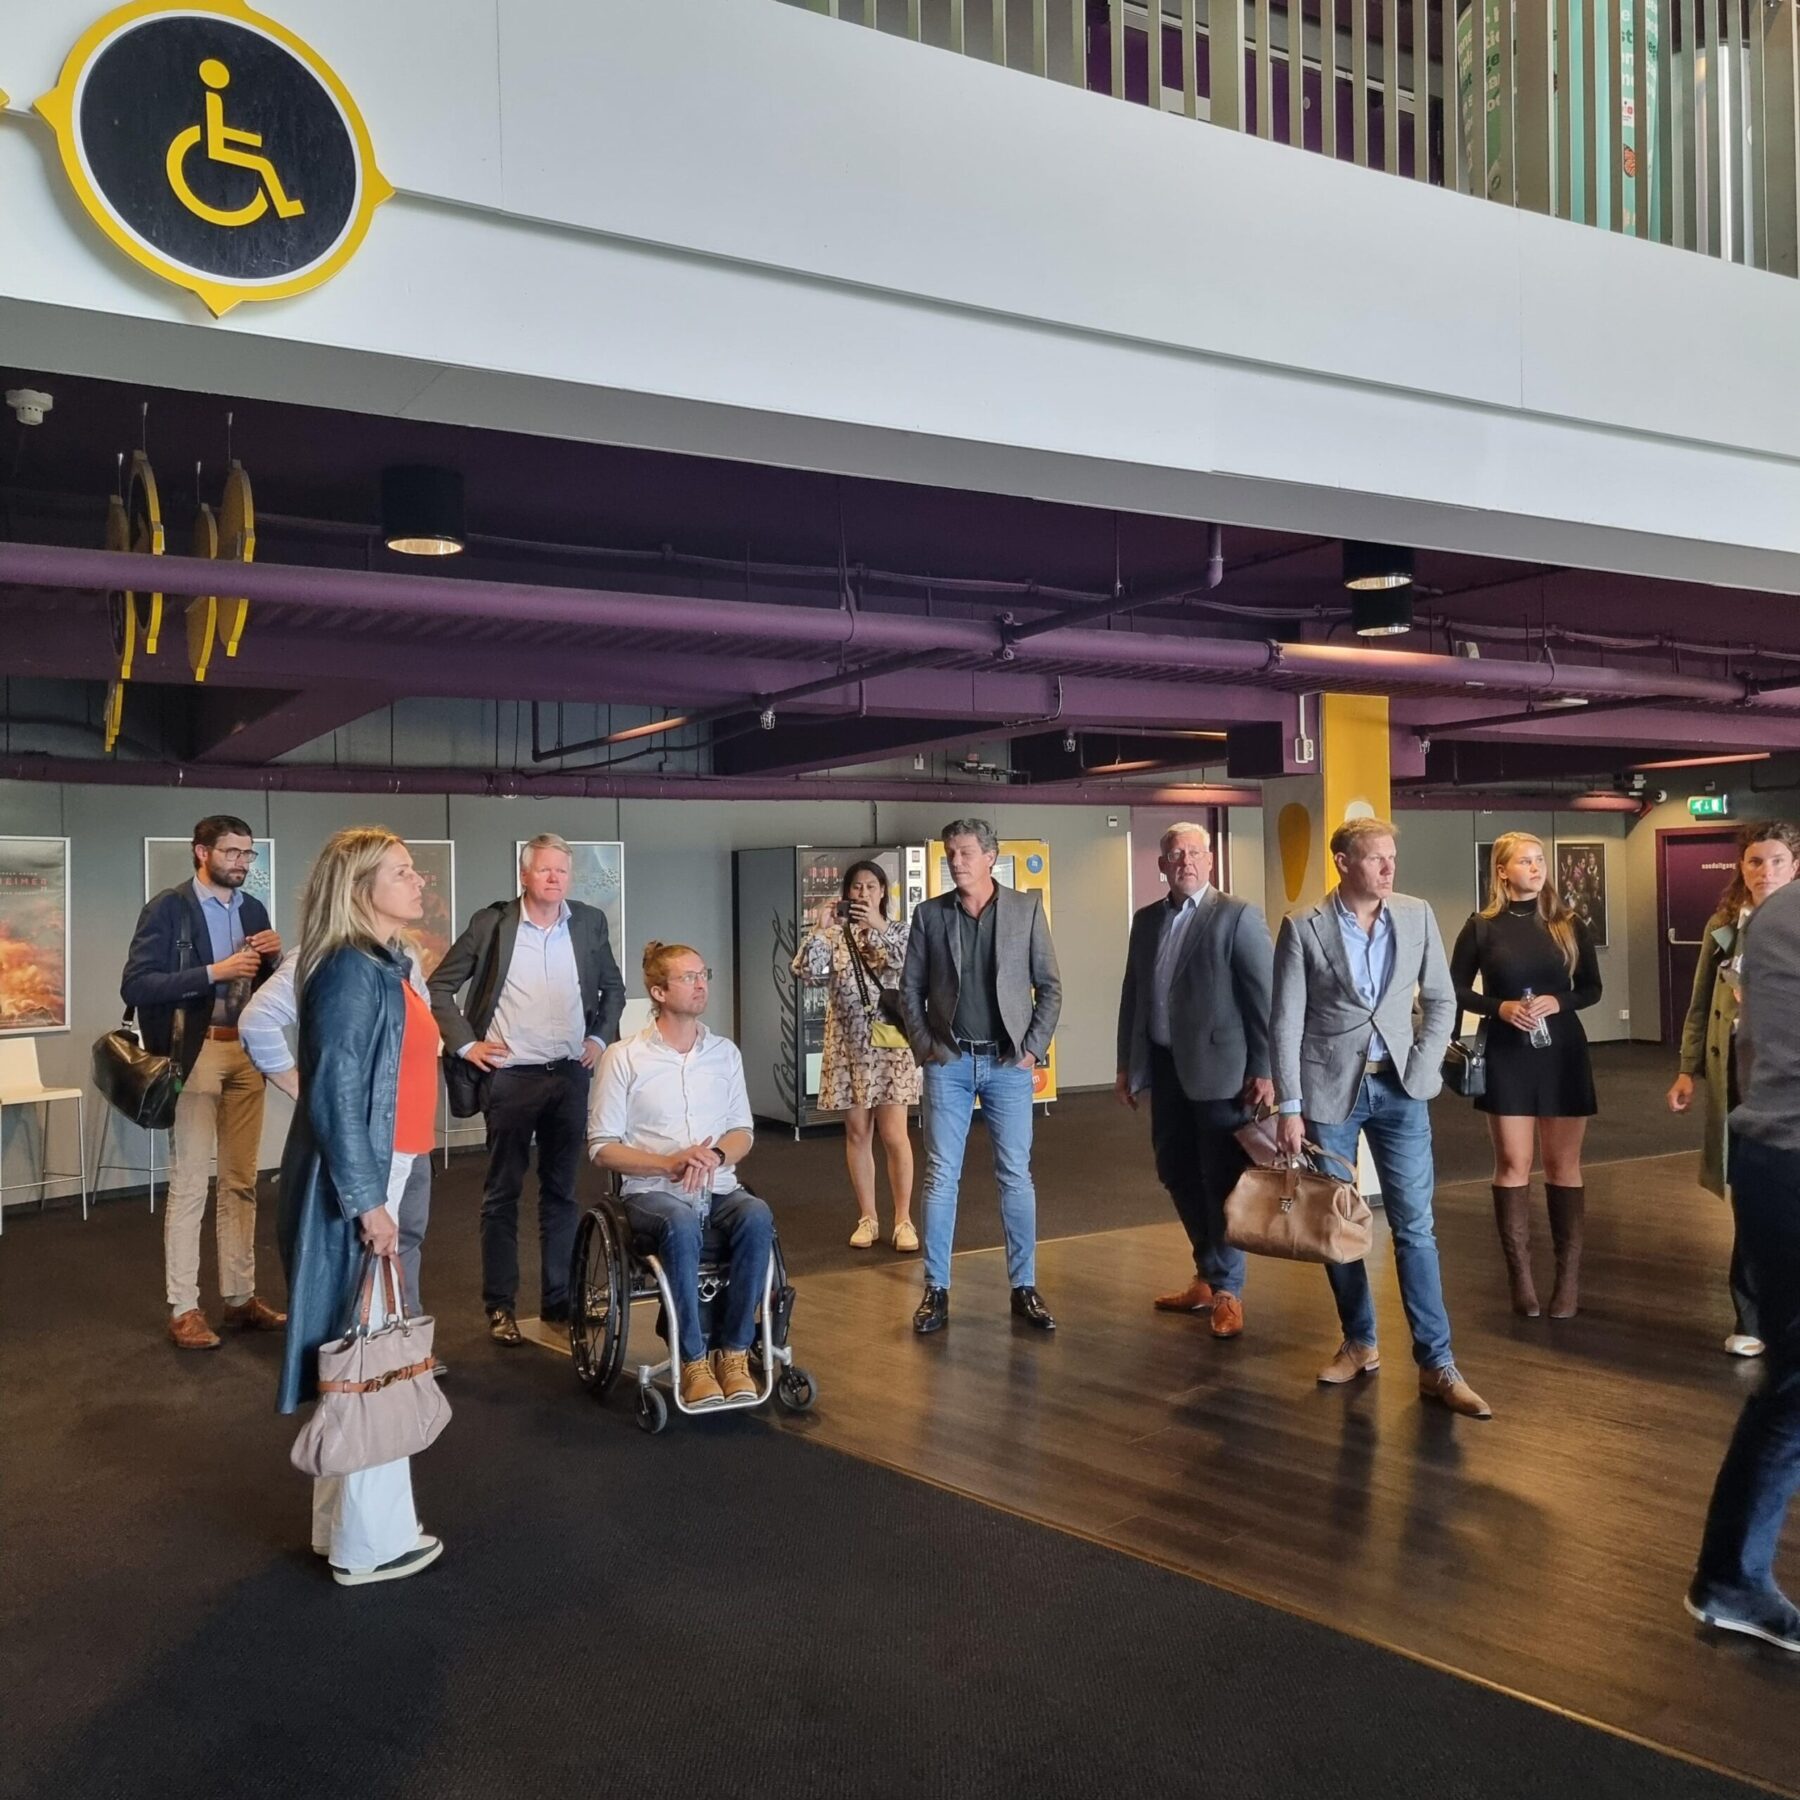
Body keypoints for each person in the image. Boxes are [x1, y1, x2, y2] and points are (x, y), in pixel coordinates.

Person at [1272, 817, 1490, 1419]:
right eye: (1376, 859)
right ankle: (1360, 1341)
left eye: (1393, 857)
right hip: (1327, 1094)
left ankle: (1437, 1364)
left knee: (1415, 1227)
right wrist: (1289, 1107)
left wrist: (1423, 1066)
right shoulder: (1303, 928)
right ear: (1344, 862)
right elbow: (1285, 1022)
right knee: (1337, 1228)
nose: (1389, 869)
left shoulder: (1416, 915)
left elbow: (1442, 999)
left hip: (1401, 1090)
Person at [276, 828, 444, 1588]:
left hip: (388, 1166)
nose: (418, 882)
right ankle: (369, 1544)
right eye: (402, 873)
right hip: (367, 1177)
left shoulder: (384, 964)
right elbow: (337, 1092)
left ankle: (338, 1530)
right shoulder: (349, 969)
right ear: (361, 887)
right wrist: (369, 1199)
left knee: (360, 1346)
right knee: (373, 1353)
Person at [429, 833, 626, 1344]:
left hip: (567, 1076)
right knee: (502, 1194)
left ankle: (559, 1304)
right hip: (510, 1078)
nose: (555, 878)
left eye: (562, 870)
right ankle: (500, 1306)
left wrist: (600, 1037)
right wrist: (466, 1046)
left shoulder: (587, 922)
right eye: (545, 870)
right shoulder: (491, 923)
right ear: (524, 875)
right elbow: (440, 986)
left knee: (562, 1193)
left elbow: (614, 988)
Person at [1686, 878, 1800, 1653]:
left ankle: (1730, 1576)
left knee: (1794, 1382)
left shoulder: (1777, 914)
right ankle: (1729, 1577)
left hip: (1772, 1163)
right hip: (1791, 1164)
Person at [120, 813, 284, 1351]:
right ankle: (184, 1308)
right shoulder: (169, 908)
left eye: (248, 854)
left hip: (248, 1052)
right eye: (232, 853)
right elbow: (138, 984)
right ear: (201, 852)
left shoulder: (253, 909)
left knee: (241, 1181)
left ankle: (239, 1298)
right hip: (195, 1054)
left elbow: (264, 983)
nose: (241, 863)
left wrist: (274, 958)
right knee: (190, 1183)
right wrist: (213, 972)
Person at [587, 942, 773, 1411]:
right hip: (652, 1192)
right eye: (688, 977)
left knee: (757, 1215)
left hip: (719, 1186)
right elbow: (601, 1147)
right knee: (680, 1222)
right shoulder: (624, 1057)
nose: (700, 984)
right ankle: (691, 1360)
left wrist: (713, 1154)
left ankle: (733, 1352)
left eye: (702, 974)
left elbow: (742, 1132)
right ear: (658, 991)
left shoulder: (724, 1054)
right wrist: (669, 1163)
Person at [900, 818, 1061, 1336]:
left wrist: (1032, 1049)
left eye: (966, 852)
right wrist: (926, 1048)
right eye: (951, 853)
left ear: (991, 856)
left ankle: (1024, 1287)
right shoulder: (929, 915)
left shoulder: (1025, 909)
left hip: (1007, 1064)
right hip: (949, 1061)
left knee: (1016, 1174)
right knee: (941, 1175)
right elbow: (910, 992)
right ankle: (936, 1290)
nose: (957, 861)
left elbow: (1051, 987)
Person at [1115, 821, 1273, 1340]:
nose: (1185, 860)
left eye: (1194, 852)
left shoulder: (1236, 916)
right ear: (1161, 865)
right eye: (1175, 854)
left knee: (1222, 1178)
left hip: (1224, 1075)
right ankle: (1207, 1273)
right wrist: (1127, 1064)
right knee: (1175, 1170)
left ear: (1210, 860)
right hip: (1165, 1067)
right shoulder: (1145, 922)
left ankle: (1228, 1290)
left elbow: (1263, 1002)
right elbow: (1134, 997)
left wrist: (1266, 1070)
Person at [1450, 832, 1602, 1320]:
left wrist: (1561, 1001)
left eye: (1540, 861)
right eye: (1525, 861)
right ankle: (1521, 1279)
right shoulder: (1481, 926)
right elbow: (1453, 989)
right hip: (1508, 1052)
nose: (1536, 868)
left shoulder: (1567, 923)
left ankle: (1569, 1281)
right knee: (1514, 1163)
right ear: (1502, 870)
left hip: (1562, 1053)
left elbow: (1592, 989)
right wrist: (1501, 1007)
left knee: (1563, 1167)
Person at [241, 947, 438, 1319]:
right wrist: (306, 1089)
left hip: (414, 1135)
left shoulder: (404, 955)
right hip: (375, 1142)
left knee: (406, 1241)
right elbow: (257, 1020)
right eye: (402, 881)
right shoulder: (328, 955)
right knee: (366, 1254)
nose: (418, 885)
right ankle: (364, 1359)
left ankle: (403, 1345)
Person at [1669, 821, 1800, 1359]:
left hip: (1787, 1082)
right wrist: (1685, 1069)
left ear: (1795, 865)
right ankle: (1751, 1316)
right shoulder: (1723, 926)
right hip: (1739, 1079)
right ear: (1740, 869)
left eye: (1775, 861)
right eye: (1754, 861)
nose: (1764, 871)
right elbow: (1700, 1003)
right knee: (1750, 1199)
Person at [792, 860, 921, 1251]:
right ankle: (867, 1217)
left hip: (889, 1045)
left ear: (883, 892)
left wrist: (878, 928)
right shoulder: (834, 936)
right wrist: (821, 928)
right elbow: (805, 971)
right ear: (846, 894)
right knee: (857, 1132)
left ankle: (903, 1220)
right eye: (856, 887)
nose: (862, 893)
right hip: (846, 1046)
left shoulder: (899, 931)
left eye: (870, 886)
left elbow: (910, 964)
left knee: (895, 1134)